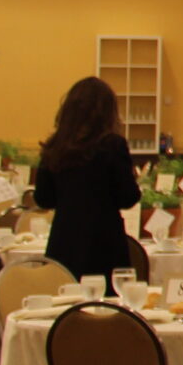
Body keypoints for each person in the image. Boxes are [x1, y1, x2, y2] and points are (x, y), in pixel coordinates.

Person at [32, 76, 138, 280]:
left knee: (65, 292)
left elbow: (43, 198)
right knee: (107, 297)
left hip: (64, 239)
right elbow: (128, 197)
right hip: (104, 240)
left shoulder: (55, 146)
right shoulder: (112, 145)